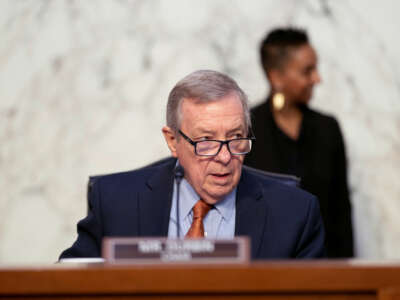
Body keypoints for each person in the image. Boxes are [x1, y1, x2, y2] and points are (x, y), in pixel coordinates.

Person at [60, 70, 325, 260]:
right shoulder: (116, 203)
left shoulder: (295, 214)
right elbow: (67, 286)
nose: (224, 158)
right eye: (206, 141)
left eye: (235, 138)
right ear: (173, 141)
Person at [244, 28, 353, 257]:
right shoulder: (246, 130)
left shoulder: (328, 128)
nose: (317, 78)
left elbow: (341, 212)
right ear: (276, 77)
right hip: (264, 273)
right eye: (307, 71)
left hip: (324, 271)